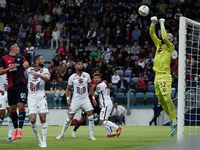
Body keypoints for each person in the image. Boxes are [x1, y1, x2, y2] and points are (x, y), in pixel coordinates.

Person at [149, 16, 177, 136]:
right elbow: (151, 34)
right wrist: (153, 23)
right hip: (157, 76)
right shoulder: (159, 45)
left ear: (171, 40)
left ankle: (175, 121)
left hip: (165, 76)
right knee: (160, 100)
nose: (166, 35)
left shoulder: (170, 47)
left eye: (169, 35)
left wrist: (162, 24)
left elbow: (164, 36)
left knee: (167, 99)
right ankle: (171, 119)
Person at [56, 60, 96, 140]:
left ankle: (91, 135)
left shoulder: (87, 75)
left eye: (81, 64)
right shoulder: (72, 77)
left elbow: (90, 86)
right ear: (75, 66)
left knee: (91, 116)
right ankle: (62, 134)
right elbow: (68, 89)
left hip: (85, 99)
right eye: (78, 64)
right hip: (76, 100)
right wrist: (68, 99)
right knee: (70, 117)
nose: (80, 65)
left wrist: (93, 97)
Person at [0, 43, 29, 140]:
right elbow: (0, 71)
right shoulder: (4, 59)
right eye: (17, 46)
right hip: (11, 87)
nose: (19, 48)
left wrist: (27, 67)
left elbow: (28, 71)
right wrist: (9, 68)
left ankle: (20, 129)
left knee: (21, 106)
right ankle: (16, 129)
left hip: (22, 85)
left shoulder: (22, 58)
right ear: (12, 48)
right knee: (12, 109)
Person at [24, 55, 50, 147]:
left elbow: (47, 78)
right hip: (31, 98)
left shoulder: (45, 70)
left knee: (43, 117)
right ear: (37, 61)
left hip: (41, 97)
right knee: (32, 120)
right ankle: (38, 137)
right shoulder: (28, 71)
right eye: (42, 59)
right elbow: (23, 79)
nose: (44, 60)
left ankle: (44, 141)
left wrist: (38, 74)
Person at [71, 68, 102, 137]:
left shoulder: (100, 82)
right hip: (88, 102)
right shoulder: (89, 81)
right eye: (95, 73)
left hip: (96, 103)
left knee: (103, 116)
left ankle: (110, 132)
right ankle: (74, 130)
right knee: (82, 120)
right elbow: (91, 88)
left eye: (98, 73)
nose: (96, 76)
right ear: (93, 75)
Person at [93, 74, 122, 138]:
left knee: (102, 121)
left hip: (106, 105)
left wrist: (92, 89)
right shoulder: (103, 84)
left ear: (100, 78)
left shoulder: (100, 85)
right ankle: (110, 134)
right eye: (95, 78)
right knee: (103, 121)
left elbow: (95, 95)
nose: (96, 79)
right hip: (106, 104)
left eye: (97, 78)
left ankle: (117, 128)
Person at [0, 74, 15, 143]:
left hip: (10, 94)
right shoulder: (1, 71)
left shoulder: (12, 72)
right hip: (1, 95)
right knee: (1, 116)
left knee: (11, 115)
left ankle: (10, 137)